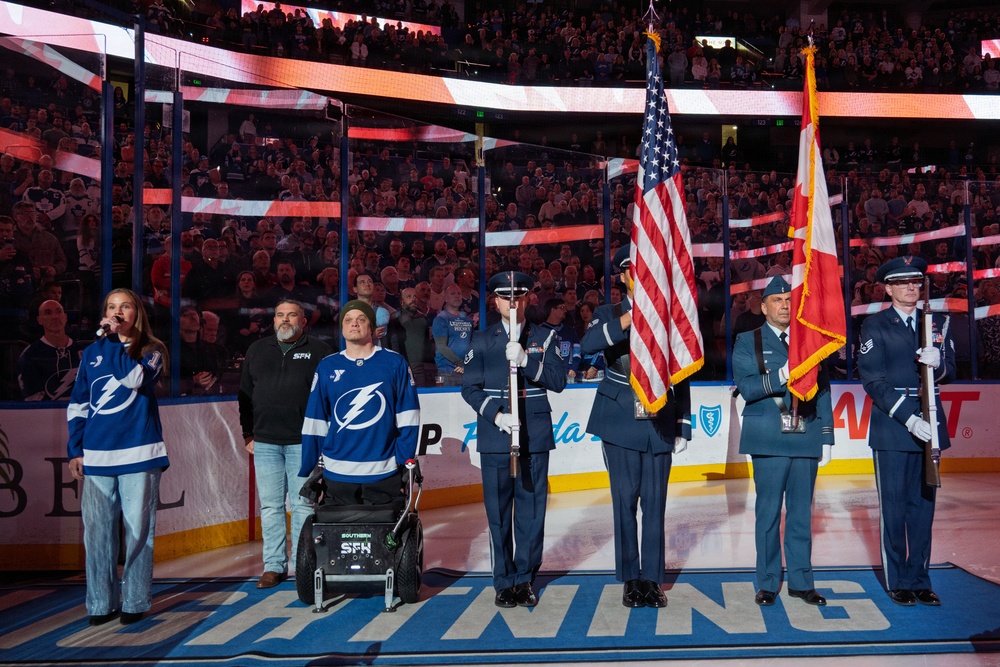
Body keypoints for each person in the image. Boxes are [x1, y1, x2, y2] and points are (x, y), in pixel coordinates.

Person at [581, 245, 691, 608]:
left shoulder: (671, 314)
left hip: (659, 417)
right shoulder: (607, 312)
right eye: (634, 269)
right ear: (624, 276)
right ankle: (631, 578)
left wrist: (683, 422)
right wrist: (630, 318)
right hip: (620, 419)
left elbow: (683, 368)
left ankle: (652, 580)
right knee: (625, 502)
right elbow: (588, 345)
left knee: (655, 505)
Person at [461, 271, 567, 608]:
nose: (512, 302)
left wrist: (526, 362)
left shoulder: (545, 337)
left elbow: (558, 381)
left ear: (527, 299)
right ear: (495, 301)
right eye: (505, 297)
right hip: (496, 436)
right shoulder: (481, 340)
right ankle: (503, 580)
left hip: (535, 435)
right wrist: (496, 415)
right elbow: (469, 388)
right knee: (498, 512)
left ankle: (525, 578)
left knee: (531, 512)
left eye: (518, 296)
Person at [66, 288, 169, 626]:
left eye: (125, 306)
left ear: (136, 312)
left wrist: (112, 341)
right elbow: (79, 404)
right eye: (111, 306)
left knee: (138, 532)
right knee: (97, 533)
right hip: (97, 456)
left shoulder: (152, 350)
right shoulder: (91, 353)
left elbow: (133, 379)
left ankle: (136, 600)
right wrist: (75, 449)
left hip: (139, 453)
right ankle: (100, 603)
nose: (117, 312)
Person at [732, 275, 835, 607]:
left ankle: (802, 582)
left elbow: (823, 389)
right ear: (763, 307)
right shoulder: (748, 340)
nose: (784, 305)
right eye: (776, 300)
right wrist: (782, 374)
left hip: (806, 434)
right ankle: (767, 582)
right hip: (768, 437)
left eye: (789, 300)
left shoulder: (810, 340)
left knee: (802, 513)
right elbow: (747, 388)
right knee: (768, 513)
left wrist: (827, 436)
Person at [858, 256, 955, 606]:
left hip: (931, 421)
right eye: (902, 282)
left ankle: (920, 579)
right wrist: (909, 418)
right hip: (894, 427)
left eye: (915, 281)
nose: (911, 287)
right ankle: (898, 579)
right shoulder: (875, 325)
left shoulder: (936, 322)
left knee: (923, 509)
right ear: (888, 289)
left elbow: (950, 370)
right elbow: (873, 381)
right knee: (894, 508)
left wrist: (939, 364)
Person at [238, 299, 332, 589]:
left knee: (303, 505)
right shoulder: (256, 350)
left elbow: (329, 396)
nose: (285, 319)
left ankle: (304, 564)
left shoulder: (320, 351)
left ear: (303, 321)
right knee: (270, 507)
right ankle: (273, 566)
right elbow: (245, 396)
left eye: (292, 315)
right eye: (280, 315)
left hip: (303, 442)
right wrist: (248, 434)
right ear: (274, 320)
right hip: (265, 442)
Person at [300, 299, 420, 505]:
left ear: (372, 327)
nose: (354, 323)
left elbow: (409, 417)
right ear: (342, 328)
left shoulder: (394, 363)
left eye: (361, 319)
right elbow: (315, 419)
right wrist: (308, 464)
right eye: (348, 320)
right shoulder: (327, 366)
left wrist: (403, 461)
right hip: (337, 472)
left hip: (383, 473)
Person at [18, 299, 84, 400]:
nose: (54, 316)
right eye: (48, 313)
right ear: (39, 320)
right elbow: (33, 400)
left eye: (58, 312)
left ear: (65, 317)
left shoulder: (84, 351)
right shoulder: (30, 354)